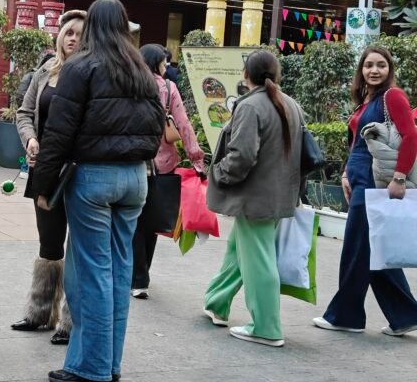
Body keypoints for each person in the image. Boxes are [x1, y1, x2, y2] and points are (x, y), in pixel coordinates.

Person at [33, 0, 164, 382]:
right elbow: (157, 124)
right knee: (120, 272)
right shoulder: (140, 69)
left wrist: (43, 183)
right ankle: (109, 362)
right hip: (135, 180)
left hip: (92, 178)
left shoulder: (80, 66)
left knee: (90, 272)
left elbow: (59, 132)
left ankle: (89, 368)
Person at [202, 50, 305, 347]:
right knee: (240, 250)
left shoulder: (251, 106)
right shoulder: (291, 104)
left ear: (246, 74)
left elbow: (242, 155)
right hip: (278, 195)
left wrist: (220, 172)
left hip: (254, 197)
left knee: (258, 259)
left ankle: (266, 327)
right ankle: (216, 302)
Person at [313, 45, 417, 337]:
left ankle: (345, 315)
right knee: (372, 249)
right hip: (359, 178)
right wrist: (346, 172)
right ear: (361, 69)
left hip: (375, 181)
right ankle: (405, 315)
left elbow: (410, 136)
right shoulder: (366, 100)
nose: (374, 70)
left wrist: (398, 178)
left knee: (357, 249)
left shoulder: (392, 96)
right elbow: (358, 144)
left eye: (381, 65)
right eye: (369, 65)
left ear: (389, 69)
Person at [12, 10, 85, 345]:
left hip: (79, 169)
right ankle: (41, 311)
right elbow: (25, 112)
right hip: (45, 168)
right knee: (49, 243)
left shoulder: (91, 74)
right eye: (68, 32)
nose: (72, 38)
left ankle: (71, 321)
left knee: (79, 246)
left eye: (80, 34)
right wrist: (29, 138)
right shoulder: (45, 71)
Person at [132, 44, 205, 298]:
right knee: (150, 221)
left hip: (131, 160)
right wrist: (196, 158)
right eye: (165, 63)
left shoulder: (130, 84)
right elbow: (183, 125)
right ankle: (141, 278)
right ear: (155, 63)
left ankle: (135, 276)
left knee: (134, 220)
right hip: (161, 165)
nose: (167, 67)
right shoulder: (168, 88)